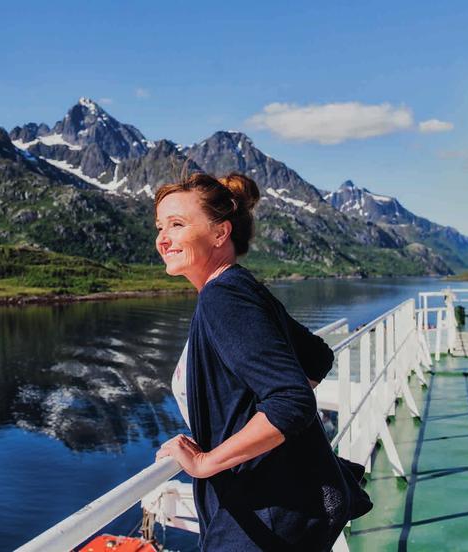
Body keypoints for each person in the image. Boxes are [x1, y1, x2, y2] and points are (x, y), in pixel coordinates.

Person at [154, 172, 370, 551]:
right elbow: (317, 357)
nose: (162, 238)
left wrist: (206, 462)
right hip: (288, 502)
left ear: (221, 234)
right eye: (160, 227)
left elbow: (290, 401)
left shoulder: (223, 298)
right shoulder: (240, 286)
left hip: (267, 511)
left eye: (177, 224)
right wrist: (258, 418)